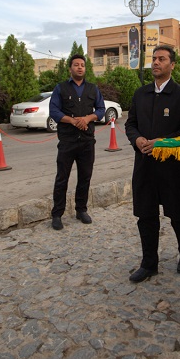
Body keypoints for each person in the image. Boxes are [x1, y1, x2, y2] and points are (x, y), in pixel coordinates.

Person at [125, 45, 180, 283]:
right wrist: (137, 139)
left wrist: (163, 143)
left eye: (161, 59)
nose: (155, 62)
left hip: (173, 167)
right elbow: (131, 124)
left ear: (172, 65)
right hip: (145, 165)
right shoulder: (140, 94)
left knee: (179, 214)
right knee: (146, 216)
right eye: (154, 59)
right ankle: (149, 264)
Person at [49, 54, 105, 230]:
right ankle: (57, 214)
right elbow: (54, 110)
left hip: (87, 141)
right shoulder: (61, 88)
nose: (80, 67)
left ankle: (81, 210)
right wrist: (72, 120)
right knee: (62, 178)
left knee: (85, 177)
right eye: (76, 65)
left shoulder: (93, 88)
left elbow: (101, 109)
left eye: (82, 65)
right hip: (67, 141)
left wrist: (88, 118)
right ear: (70, 69)